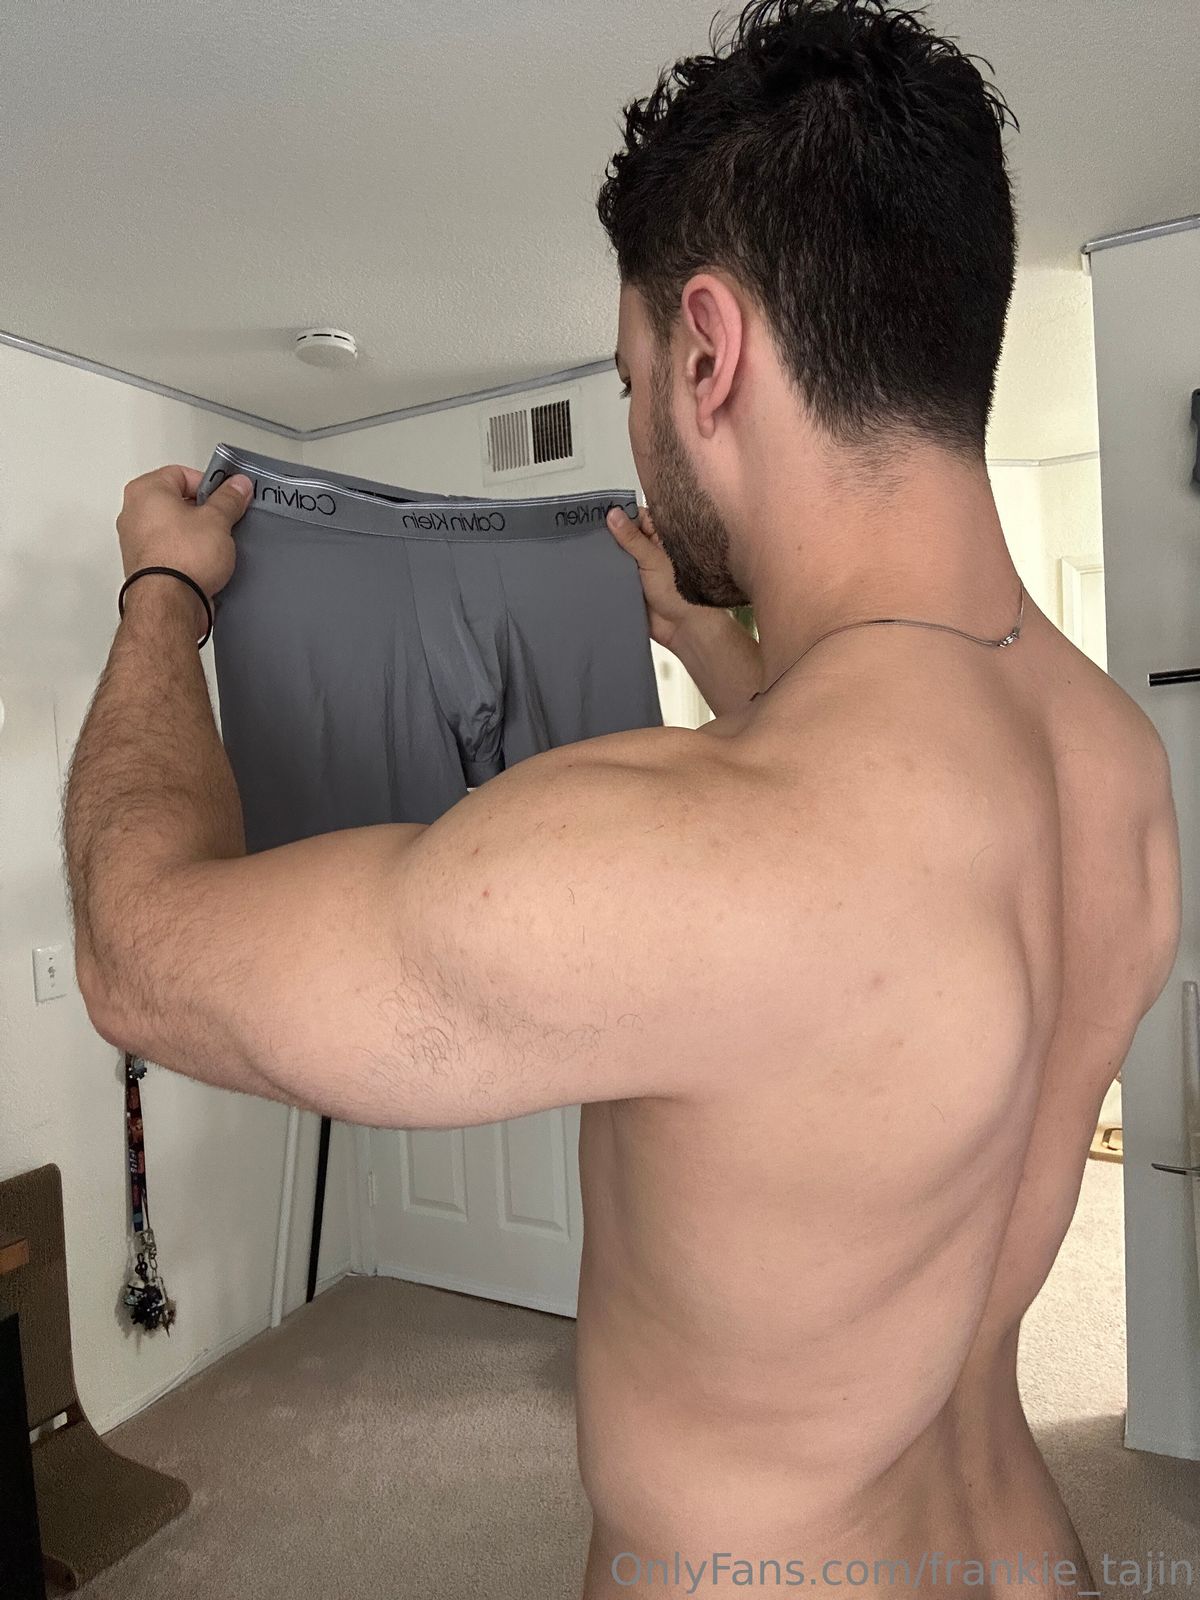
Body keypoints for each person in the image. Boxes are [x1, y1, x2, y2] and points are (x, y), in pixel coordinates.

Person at [64, 1, 1181, 1594]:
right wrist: (713, 640)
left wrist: (162, 598)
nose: (642, 422)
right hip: (1022, 1548)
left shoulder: (676, 848)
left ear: (709, 352)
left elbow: (139, 951)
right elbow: (876, 881)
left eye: (635, 375)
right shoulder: (1111, 760)